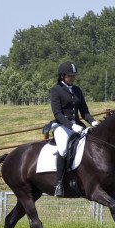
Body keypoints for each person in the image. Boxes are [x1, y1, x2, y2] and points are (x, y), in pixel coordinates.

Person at [49, 61, 99, 197]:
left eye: (73, 76)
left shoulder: (77, 90)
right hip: (61, 126)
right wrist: (71, 126)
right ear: (62, 76)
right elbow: (58, 114)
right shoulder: (56, 90)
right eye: (70, 76)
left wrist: (93, 122)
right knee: (64, 149)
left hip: (77, 125)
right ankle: (59, 184)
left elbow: (85, 112)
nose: (72, 78)